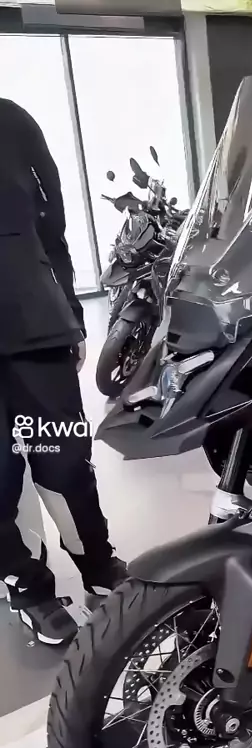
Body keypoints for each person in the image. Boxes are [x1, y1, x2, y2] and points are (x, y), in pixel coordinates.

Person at [0, 98, 127, 645]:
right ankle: (26, 585)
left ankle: (97, 566)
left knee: (65, 458)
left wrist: (70, 311)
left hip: (35, 323)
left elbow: (52, 227)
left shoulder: (10, 121)